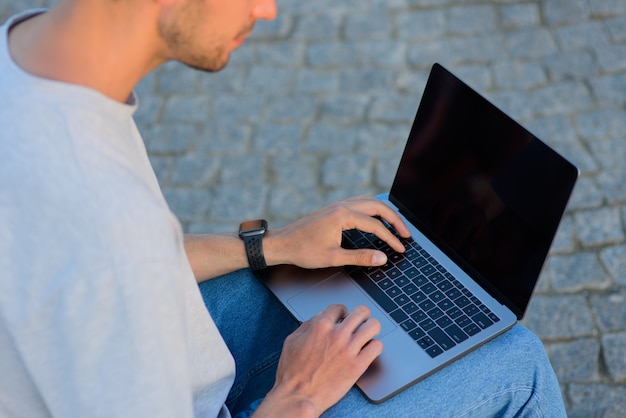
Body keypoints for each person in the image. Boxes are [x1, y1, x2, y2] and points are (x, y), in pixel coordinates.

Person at [0, 1, 567, 417]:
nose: (266, 10)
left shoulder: (25, 57)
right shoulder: (108, 229)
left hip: (166, 357)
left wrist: (271, 246)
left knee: (323, 271)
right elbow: (119, 260)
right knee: (518, 359)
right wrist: (296, 396)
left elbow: (129, 267)